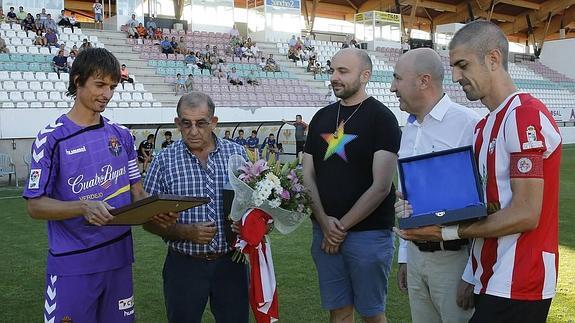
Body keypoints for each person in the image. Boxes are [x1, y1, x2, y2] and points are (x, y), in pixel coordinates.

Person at [396, 20, 562, 323]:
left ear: (493, 59)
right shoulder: (484, 127)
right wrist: (419, 204)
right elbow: (482, 206)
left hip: (521, 279)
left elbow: (526, 213)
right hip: (490, 275)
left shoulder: (525, 115)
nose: (456, 77)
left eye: (462, 65)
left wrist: (444, 231)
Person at [22, 47, 177, 323]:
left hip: (118, 258)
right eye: (99, 84)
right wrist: (83, 206)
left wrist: (156, 209)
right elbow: (35, 206)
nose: (106, 94)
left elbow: (137, 191)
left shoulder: (122, 136)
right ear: (77, 80)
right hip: (72, 264)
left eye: (112, 86)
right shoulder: (51, 139)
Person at [302, 48, 401, 323]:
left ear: (365, 75)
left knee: (372, 314)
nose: (334, 77)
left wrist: (339, 228)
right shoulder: (322, 117)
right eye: (332, 70)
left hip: (368, 234)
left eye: (342, 71)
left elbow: (381, 186)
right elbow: (307, 175)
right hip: (324, 232)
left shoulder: (382, 118)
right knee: (339, 312)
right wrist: (324, 223)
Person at [390, 48, 480, 323]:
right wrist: (406, 257)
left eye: (397, 78)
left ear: (424, 81)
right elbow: (407, 200)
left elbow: (486, 202)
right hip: (417, 259)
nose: (392, 87)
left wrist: (471, 274)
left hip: (455, 261)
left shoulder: (469, 124)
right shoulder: (409, 130)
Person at [143, 92, 249, 323]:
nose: (193, 131)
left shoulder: (237, 155)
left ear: (213, 122)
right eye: (186, 123)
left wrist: (256, 226)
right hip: (184, 266)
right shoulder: (163, 161)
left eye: (201, 123)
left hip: (231, 263)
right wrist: (184, 232)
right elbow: (146, 219)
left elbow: (253, 206)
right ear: (177, 123)